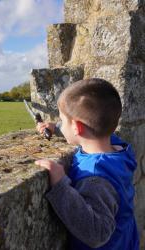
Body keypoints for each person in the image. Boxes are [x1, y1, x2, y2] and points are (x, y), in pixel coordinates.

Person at [35, 78, 139, 249]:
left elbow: (97, 233)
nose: (60, 123)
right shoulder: (119, 149)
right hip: (126, 241)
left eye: (62, 119)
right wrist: (55, 127)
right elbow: (89, 130)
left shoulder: (95, 177)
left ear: (77, 127)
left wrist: (61, 185)